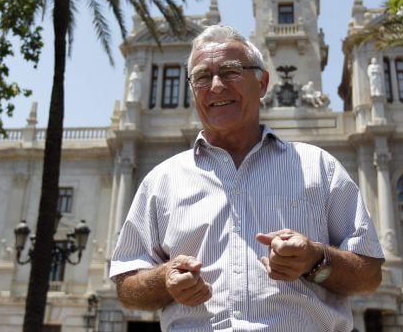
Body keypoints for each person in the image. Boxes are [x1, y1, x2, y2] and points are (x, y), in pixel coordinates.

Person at [110, 24, 384, 332]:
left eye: (230, 72)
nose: (216, 86)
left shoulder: (320, 167)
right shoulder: (161, 181)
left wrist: (315, 259)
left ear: (263, 82)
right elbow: (126, 286)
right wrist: (165, 279)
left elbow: (370, 274)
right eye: (202, 76)